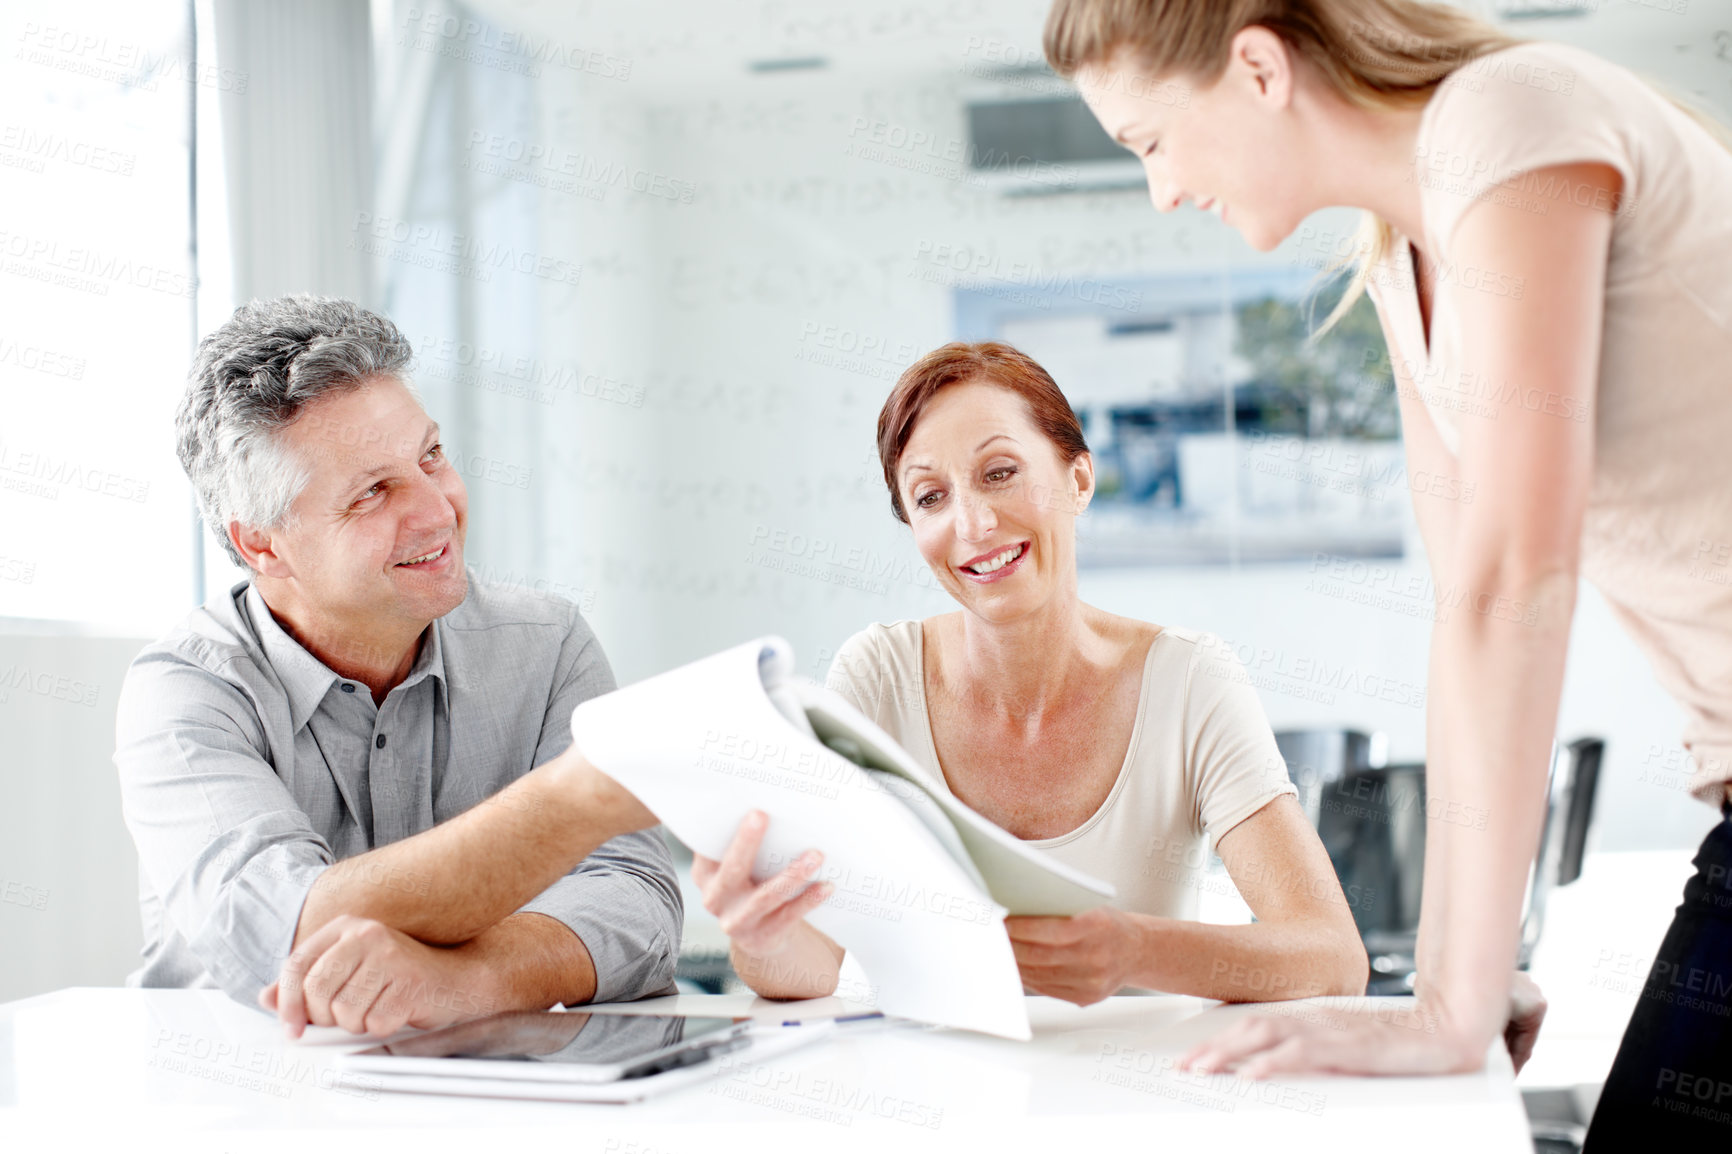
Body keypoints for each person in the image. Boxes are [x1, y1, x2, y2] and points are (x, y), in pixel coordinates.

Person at [1041, 0, 1732, 1145]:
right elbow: (1465, 600)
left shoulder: (1506, 117)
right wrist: (1463, 967)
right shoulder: (1399, 261)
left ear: (1257, 67)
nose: (1160, 190)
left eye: (1148, 143)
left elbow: (1519, 574)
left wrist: (1452, 1008)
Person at [694, 341, 1369, 1007]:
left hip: (1125, 1100)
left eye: (1000, 473)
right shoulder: (877, 678)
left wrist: (1137, 952)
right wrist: (758, 932)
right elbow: (805, 972)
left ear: (1078, 480)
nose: (975, 523)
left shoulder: (1192, 681)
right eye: (930, 497)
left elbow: (1332, 957)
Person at [115, 296, 677, 1039]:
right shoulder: (187, 692)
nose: (438, 512)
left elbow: (637, 903)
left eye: (431, 457)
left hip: (487, 1100)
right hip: (246, 1099)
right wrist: (569, 804)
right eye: (373, 492)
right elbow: (288, 932)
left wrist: (467, 980)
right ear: (263, 547)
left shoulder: (546, 644)